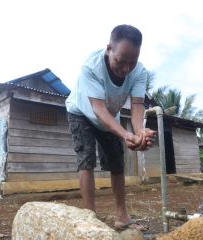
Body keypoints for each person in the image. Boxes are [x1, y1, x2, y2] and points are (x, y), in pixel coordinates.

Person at [65, 24, 156, 231]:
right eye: (121, 61)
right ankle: (91, 219)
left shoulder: (139, 72)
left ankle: (122, 217)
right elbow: (97, 109)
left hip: (109, 116)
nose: (126, 69)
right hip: (81, 112)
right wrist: (125, 135)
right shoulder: (91, 67)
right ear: (109, 49)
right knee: (86, 160)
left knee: (117, 162)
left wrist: (140, 132)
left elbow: (137, 105)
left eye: (131, 63)